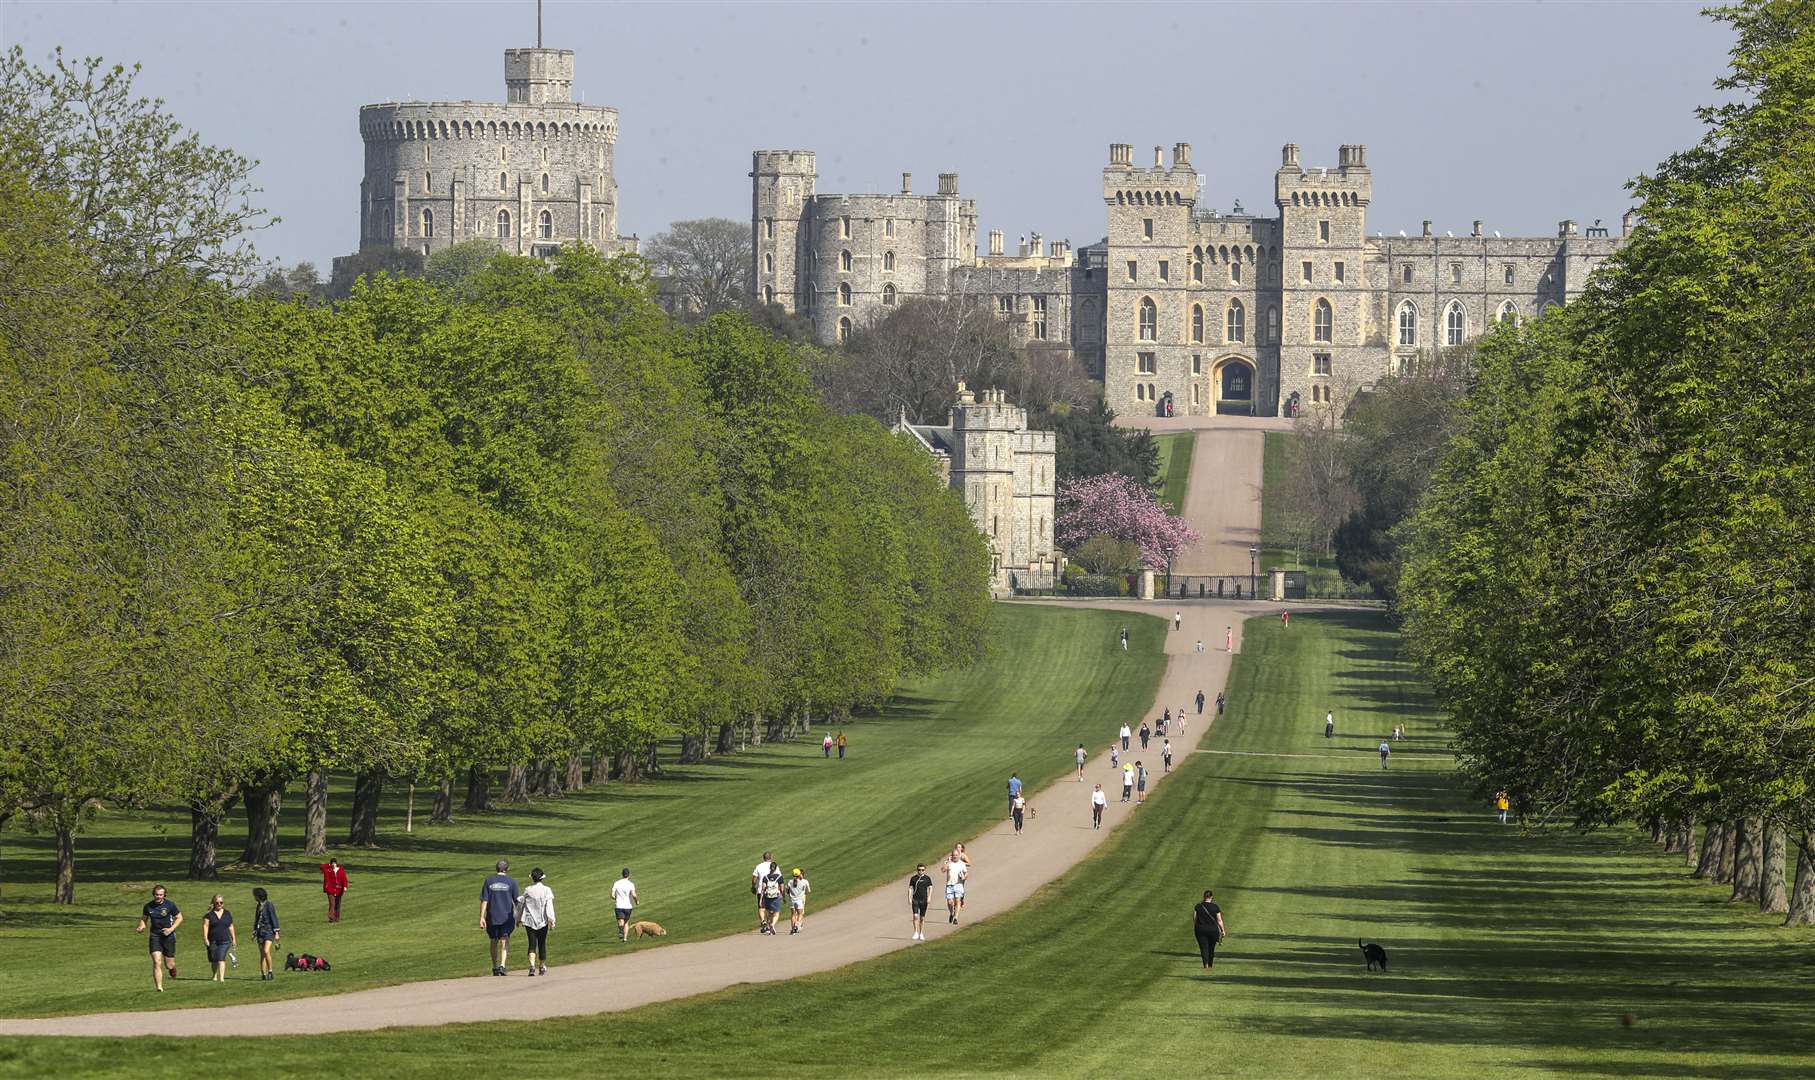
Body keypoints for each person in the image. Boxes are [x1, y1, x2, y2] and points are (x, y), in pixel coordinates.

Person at [137, 885, 182, 991]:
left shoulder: (170, 905)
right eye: (157, 895)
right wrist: (141, 926)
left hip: (168, 936)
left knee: (169, 964)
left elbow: (180, 917)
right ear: (154, 894)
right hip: (155, 936)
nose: (158, 897)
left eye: (161, 895)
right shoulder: (148, 906)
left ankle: (172, 969)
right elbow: (144, 918)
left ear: (164, 895)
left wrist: (171, 929)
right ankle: (159, 987)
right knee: (157, 962)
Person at [479, 859, 520, 976]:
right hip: (506, 916)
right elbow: (516, 902)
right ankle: (502, 965)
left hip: (492, 916)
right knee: (504, 940)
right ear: (507, 869)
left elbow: (484, 900)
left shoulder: (489, 881)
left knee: (493, 940)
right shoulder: (512, 882)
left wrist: (481, 917)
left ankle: (494, 966)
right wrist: (519, 917)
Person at [520, 868, 555, 976]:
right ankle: (541, 965)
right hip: (542, 921)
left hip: (529, 921)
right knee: (541, 943)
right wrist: (552, 920)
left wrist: (517, 918)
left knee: (532, 943)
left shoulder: (527, 890)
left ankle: (532, 966)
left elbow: (521, 905)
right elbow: (549, 906)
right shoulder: (546, 890)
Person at [201, 894, 236, 984]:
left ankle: (222, 978)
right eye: (217, 903)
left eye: (221, 902)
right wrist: (205, 938)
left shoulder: (227, 913)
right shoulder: (209, 915)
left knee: (221, 958)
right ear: (214, 903)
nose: (219, 904)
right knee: (214, 959)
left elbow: (231, 926)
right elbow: (205, 926)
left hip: (225, 940)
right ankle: (214, 975)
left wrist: (234, 939)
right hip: (213, 940)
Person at [1192, 889, 1226, 972]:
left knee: (1203, 948)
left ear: (1204, 896)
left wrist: (1197, 926)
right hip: (1213, 930)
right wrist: (1223, 930)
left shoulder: (1198, 906)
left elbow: (1194, 918)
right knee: (1211, 948)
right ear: (1211, 897)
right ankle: (1210, 964)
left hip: (1200, 929)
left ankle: (1205, 965)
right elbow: (1219, 920)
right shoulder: (1215, 907)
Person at [252, 886, 280, 981]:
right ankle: (263, 974)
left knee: (266, 951)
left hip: (268, 931)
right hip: (260, 932)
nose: (254, 897)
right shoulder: (258, 906)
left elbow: (273, 917)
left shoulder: (269, 905)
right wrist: (254, 932)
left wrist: (276, 932)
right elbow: (256, 919)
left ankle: (270, 971)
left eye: (255, 895)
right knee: (262, 954)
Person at [908, 863, 934, 941]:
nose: (921, 871)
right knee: (915, 916)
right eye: (919, 870)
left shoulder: (927, 878)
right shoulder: (913, 878)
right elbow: (910, 888)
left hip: (924, 900)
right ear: (917, 870)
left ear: (924, 870)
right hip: (915, 899)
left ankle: (921, 933)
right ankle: (915, 932)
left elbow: (930, 887)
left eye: (922, 870)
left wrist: (929, 897)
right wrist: (909, 898)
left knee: (922, 918)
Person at [611, 867, 638, 942]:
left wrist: (614, 898)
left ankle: (621, 932)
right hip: (628, 906)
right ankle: (625, 938)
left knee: (620, 920)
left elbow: (612, 895)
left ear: (622, 874)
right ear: (629, 875)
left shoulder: (616, 883)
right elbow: (634, 895)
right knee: (626, 922)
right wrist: (637, 901)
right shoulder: (631, 884)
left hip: (619, 905)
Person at [752, 851, 776, 932]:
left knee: (761, 907)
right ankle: (768, 924)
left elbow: (754, 878)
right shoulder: (774, 866)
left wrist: (753, 886)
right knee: (770, 908)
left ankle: (763, 921)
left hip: (760, 890)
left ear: (763, 858)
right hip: (772, 890)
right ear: (771, 857)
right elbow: (779, 877)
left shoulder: (759, 866)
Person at [319, 857, 349, 923]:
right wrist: (328, 865)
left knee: (337, 904)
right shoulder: (327, 870)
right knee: (332, 903)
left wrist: (345, 887)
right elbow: (321, 867)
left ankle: (337, 918)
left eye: (334, 863)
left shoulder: (341, 870)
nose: (333, 864)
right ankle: (331, 918)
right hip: (330, 889)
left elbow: (344, 879)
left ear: (336, 864)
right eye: (332, 863)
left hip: (339, 889)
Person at [943, 852, 966, 925]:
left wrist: (964, 877)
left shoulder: (962, 863)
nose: (955, 857)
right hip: (949, 885)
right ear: (951, 856)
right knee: (950, 902)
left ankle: (956, 918)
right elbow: (943, 870)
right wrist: (948, 862)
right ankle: (952, 913)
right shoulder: (948, 862)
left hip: (958, 884)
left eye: (956, 855)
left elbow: (966, 873)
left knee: (957, 901)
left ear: (958, 856)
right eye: (953, 855)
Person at [760, 866, 785, 935]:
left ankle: (769, 928)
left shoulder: (765, 877)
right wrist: (783, 896)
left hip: (767, 897)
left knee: (769, 913)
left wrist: (761, 899)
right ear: (776, 869)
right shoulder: (779, 877)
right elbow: (782, 888)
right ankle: (772, 924)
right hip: (776, 897)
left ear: (770, 868)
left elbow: (763, 889)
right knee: (776, 913)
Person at [786, 868, 811, 934]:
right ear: (799, 874)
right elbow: (807, 891)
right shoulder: (803, 882)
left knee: (793, 915)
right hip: (799, 900)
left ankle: (793, 928)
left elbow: (787, 891)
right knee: (800, 914)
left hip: (792, 900)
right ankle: (797, 924)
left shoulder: (790, 882)